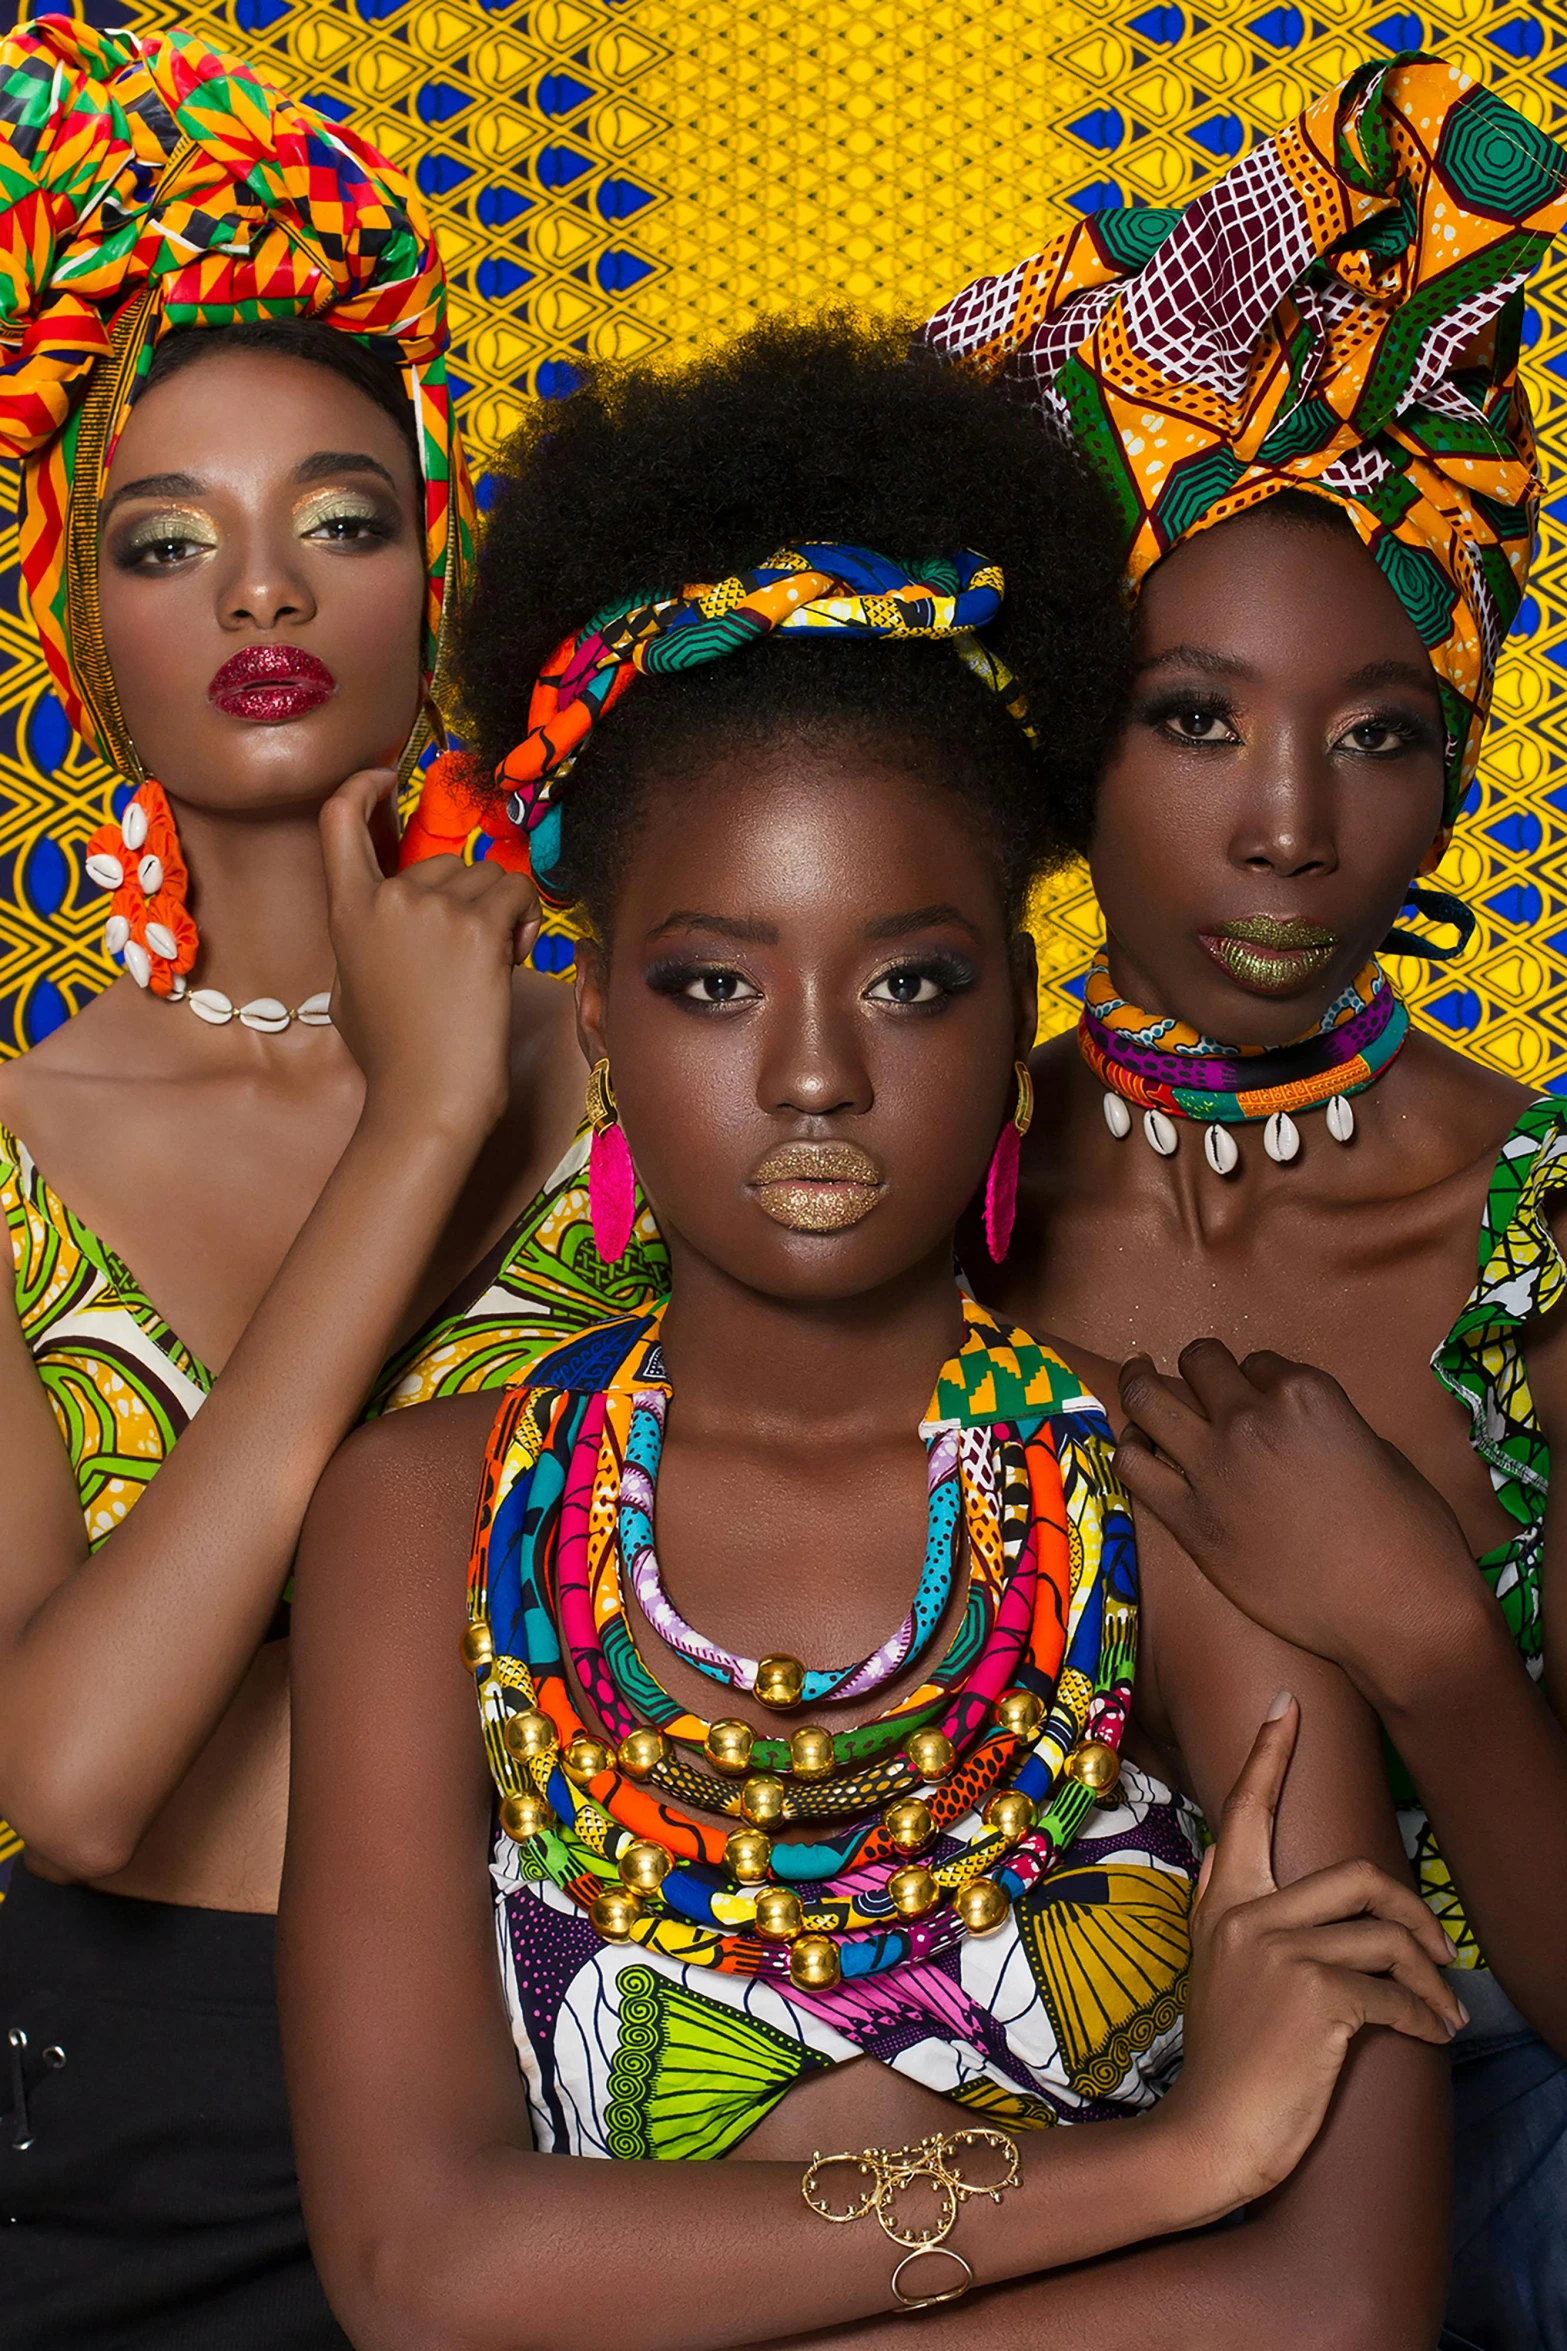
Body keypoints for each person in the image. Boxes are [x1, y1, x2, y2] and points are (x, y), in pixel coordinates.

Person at [279, 315, 1460, 2351]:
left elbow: (1346, 2300)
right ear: (606, 1025)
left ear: (1018, 1011)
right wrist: (1174, 2166)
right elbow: (419, 2269)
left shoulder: (1188, 1503)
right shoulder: (417, 1522)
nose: (815, 1073)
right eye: (715, 985)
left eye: (908, 984)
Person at [0, 21, 661, 2347]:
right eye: (167, 540)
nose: (263, 587)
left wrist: (231, 1706)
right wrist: (412, 1129)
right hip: (111, 2166)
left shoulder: (676, 1056)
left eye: (343, 516)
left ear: (442, 568)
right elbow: (73, 1775)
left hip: (616, 2120)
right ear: (79, 629)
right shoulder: (13, 1147)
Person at [922, 52, 1567, 2348]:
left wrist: (1425, 1636)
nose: (1291, 822)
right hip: (982, 2170)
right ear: (1064, 738)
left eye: (1379, 728)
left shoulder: (1540, 1237)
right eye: (1196, 717)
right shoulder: (901, 1183)